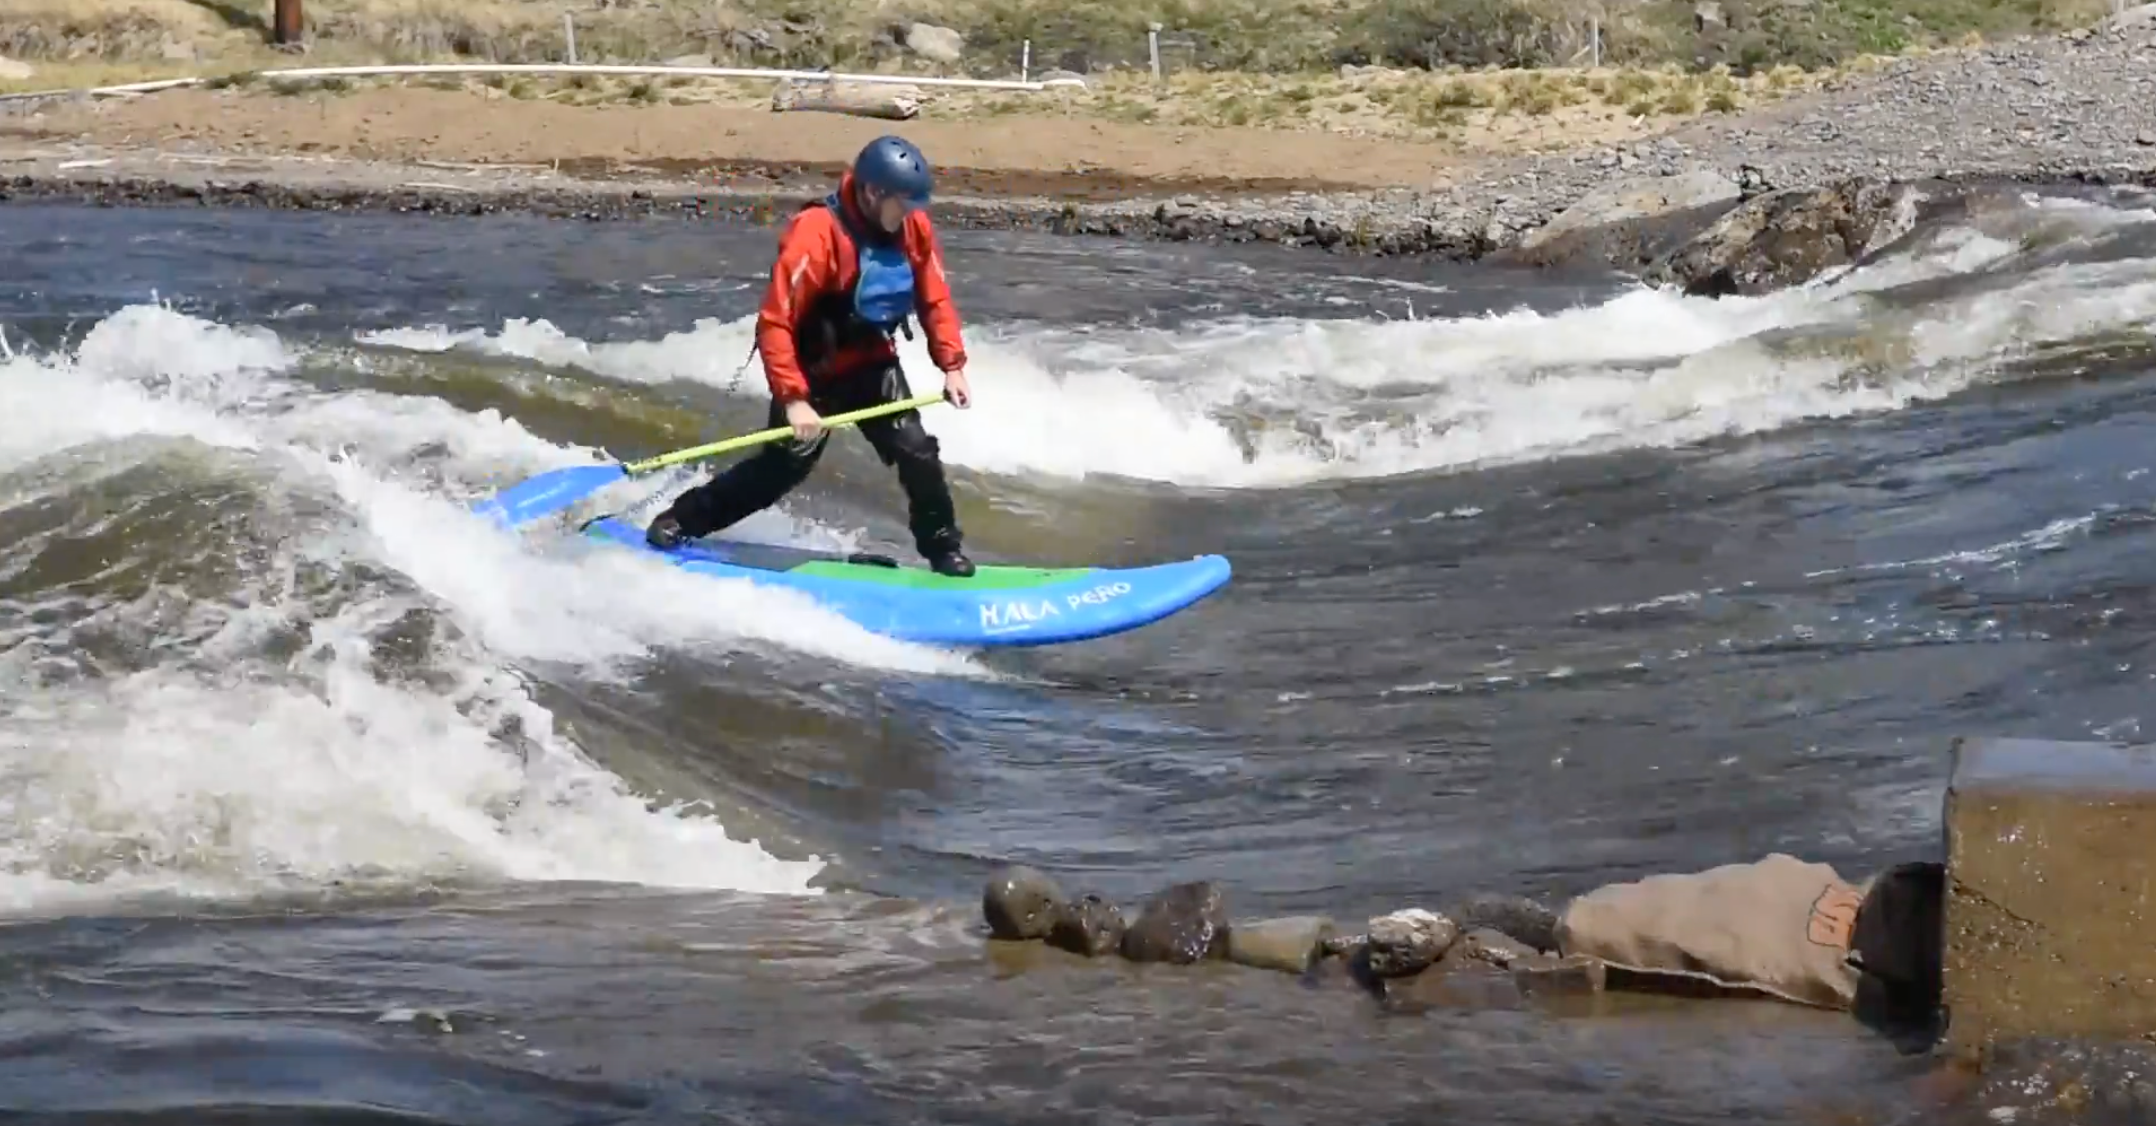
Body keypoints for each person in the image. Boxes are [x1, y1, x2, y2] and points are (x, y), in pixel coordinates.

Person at [646, 134, 977, 577]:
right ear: (872, 192)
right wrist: (794, 397)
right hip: (813, 372)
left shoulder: (913, 226)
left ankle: (943, 550)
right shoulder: (817, 232)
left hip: (872, 362)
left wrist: (952, 366)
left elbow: (935, 297)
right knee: (782, 469)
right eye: (903, 203)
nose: (912, 214)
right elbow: (775, 322)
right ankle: (679, 521)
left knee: (917, 451)